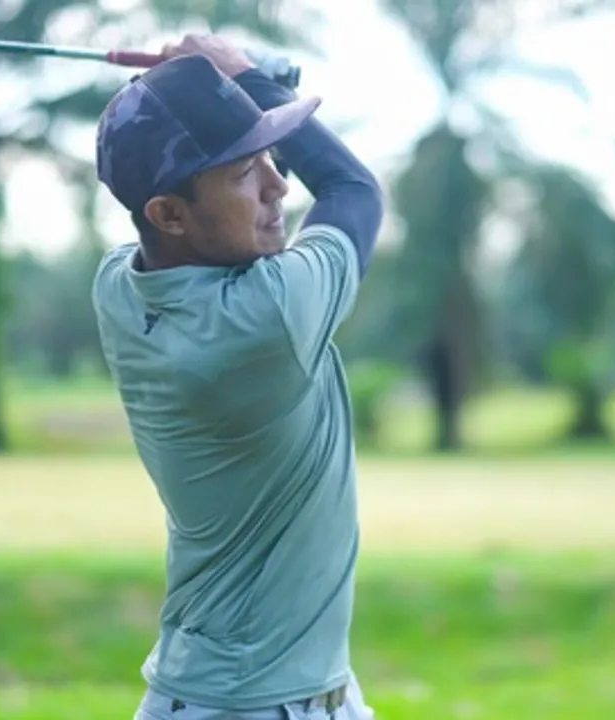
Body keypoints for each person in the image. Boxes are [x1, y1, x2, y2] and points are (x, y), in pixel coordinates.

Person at [91, 32, 383, 720]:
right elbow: (353, 190)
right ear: (168, 214)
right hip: (249, 704)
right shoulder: (266, 318)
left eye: (271, 158)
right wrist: (250, 78)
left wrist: (203, 97)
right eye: (245, 171)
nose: (279, 185)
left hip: (289, 693)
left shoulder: (119, 286)